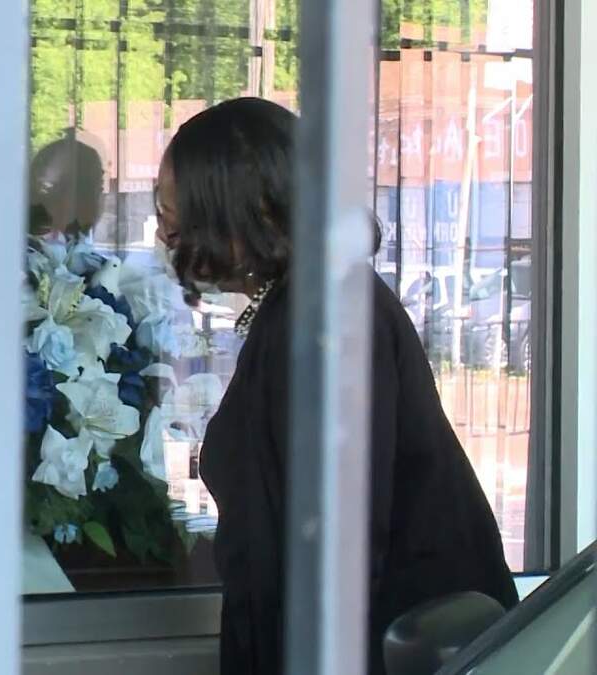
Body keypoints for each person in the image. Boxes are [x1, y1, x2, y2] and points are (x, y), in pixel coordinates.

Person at [154, 97, 518, 674]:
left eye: (175, 214)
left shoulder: (327, 317)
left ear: (243, 209)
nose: (165, 234)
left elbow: (337, 547)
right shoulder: (306, 305)